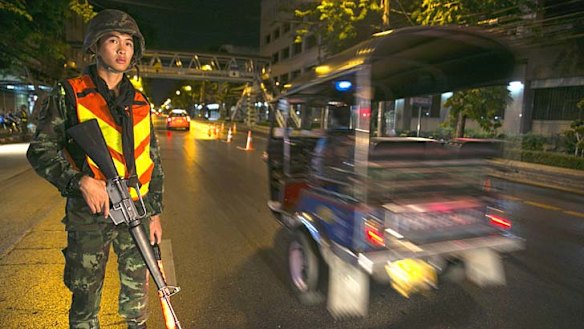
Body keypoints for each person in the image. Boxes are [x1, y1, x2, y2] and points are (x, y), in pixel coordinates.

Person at [27, 9, 164, 329]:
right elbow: (40, 150)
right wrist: (80, 182)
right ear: (96, 46)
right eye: (113, 41)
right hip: (91, 212)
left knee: (137, 301)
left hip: (136, 210)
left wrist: (155, 212)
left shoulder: (141, 102)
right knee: (85, 298)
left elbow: (153, 162)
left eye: (129, 43)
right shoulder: (70, 93)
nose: (122, 50)